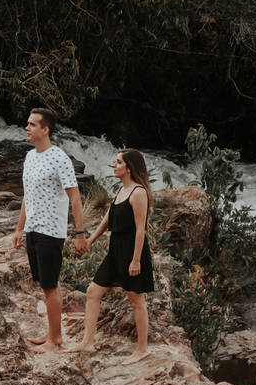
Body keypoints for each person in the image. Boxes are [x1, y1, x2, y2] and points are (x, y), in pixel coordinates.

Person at [68, 149, 155, 365]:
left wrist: (136, 260)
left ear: (129, 167)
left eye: (118, 162)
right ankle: (87, 342)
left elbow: (141, 230)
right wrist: (89, 241)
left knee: (136, 300)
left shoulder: (138, 192)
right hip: (115, 250)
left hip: (132, 250)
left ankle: (142, 349)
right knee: (92, 292)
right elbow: (106, 221)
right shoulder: (120, 190)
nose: (114, 166)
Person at [12, 108, 87, 350]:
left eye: (32, 124)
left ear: (45, 130)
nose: (27, 128)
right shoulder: (29, 157)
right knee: (46, 285)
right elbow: (27, 195)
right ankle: (52, 333)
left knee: (50, 285)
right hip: (33, 229)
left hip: (51, 230)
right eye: (27, 123)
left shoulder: (60, 158)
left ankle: (55, 339)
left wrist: (79, 233)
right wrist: (19, 228)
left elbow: (75, 197)